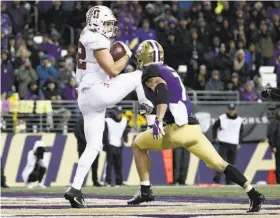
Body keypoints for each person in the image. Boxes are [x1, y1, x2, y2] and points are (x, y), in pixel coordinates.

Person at [127, 40, 265, 213]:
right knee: (220, 164)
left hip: (175, 130)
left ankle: (145, 191)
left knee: (137, 144)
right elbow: (171, 97)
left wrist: (157, 119)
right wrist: (152, 109)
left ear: (145, 57)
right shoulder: (169, 70)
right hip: (193, 129)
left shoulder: (150, 70)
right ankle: (254, 194)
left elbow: (161, 89)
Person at [64, 6, 153, 208]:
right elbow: (113, 70)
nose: (110, 27)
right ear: (96, 22)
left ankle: (75, 189)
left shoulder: (87, 33)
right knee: (139, 75)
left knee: (94, 146)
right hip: (97, 92)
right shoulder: (96, 38)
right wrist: (127, 53)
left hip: (87, 96)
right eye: (107, 23)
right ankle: (150, 121)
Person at [212, 104, 244, 185]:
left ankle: (229, 181)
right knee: (220, 162)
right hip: (223, 143)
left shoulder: (239, 120)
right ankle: (217, 179)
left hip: (233, 144)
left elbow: (241, 132)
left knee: (231, 164)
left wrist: (239, 142)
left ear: (235, 110)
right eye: (230, 109)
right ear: (227, 109)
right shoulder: (222, 118)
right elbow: (214, 127)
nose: (231, 111)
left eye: (232, 109)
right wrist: (215, 137)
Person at [103, 106, 129, 187]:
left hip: (119, 144)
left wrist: (125, 139)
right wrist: (106, 144)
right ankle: (108, 181)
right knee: (109, 164)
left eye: (120, 113)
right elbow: (105, 133)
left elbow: (125, 131)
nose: (119, 115)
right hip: (110, 144)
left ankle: (119, 181)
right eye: (118, 113)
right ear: (114, 113)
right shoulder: (108, 121)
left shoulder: (124, 121)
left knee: (119, 164)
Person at [74, 116, 101, 187]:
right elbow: (77, 133)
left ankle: (95, 181)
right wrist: (87, 141)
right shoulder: (80, 121)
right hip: (83, 147)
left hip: (94, 147)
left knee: (95, 165)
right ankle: (80, 182)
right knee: (82, 165)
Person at [267, 107, 280, 184]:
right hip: (278, 146)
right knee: (278, 163)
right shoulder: (274, 123)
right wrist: (272, 146)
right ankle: (279, 180)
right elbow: (271, 135)